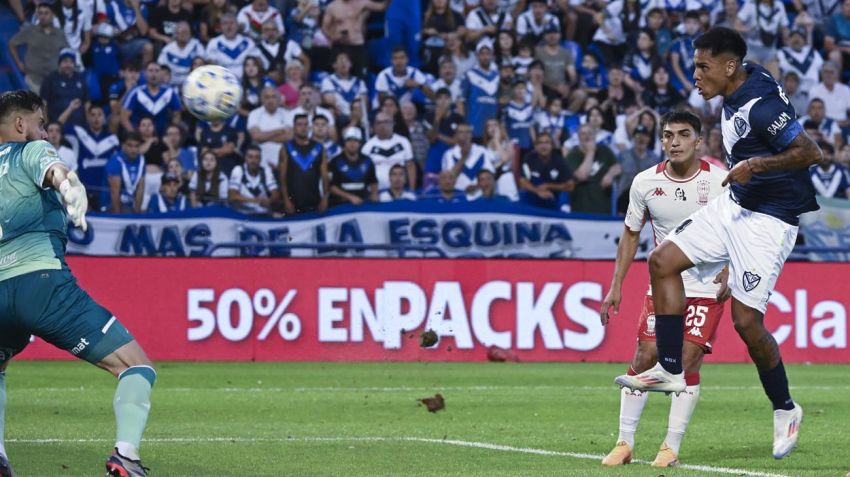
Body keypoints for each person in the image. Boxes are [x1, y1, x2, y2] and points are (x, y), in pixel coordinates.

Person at [616, 27, 822, 459]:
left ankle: (785, 407)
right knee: (662, 260)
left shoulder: (759, 106)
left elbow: (810, 152)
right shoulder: (742, 80)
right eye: (695, 65)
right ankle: (672, 369)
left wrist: (756, 165)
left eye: (702, 66)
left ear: (730, 67)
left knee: (747, 323)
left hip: (768, 221)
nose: (695, 75)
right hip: (734, 204)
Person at [0, 90, 156, 476]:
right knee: (136, 367)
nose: (46, 132)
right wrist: (70, 189)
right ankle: (126, 457)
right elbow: (55, 170)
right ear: (21, 124)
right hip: (40, 282)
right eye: (40, 123)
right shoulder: (30, 151)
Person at [600, 110, 729, 468]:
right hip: (664, 287)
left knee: (687, 359)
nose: (674, 141)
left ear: (699, 141)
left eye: (683, 134)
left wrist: (732, 269)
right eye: (668, 135)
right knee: (645, 355)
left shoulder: (721, 182)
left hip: (706, 286)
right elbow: (630, 234)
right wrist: (616, 285)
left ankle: (670, 447)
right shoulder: (644, 183)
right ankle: (624, 442)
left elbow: (741, 228)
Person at [8, 3, 70, 93]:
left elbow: (66, 52)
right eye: (40, 13)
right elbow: (12, 44)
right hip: (33, 81)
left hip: (53, 81)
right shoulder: (30, 31)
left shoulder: (59, 34)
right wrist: (19, 63)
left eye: (46, 13)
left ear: (52, 15)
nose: (43, 16)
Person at [564, 124, 621, 215]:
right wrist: (590, 152)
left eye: (590, 133)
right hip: (581, 209)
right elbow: (582, 176)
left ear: (595, 136)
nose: (587, 136)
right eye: (583, 134)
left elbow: (618, 167)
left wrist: (610, 174)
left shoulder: (605, 150)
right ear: (578, 137)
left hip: (604, 208)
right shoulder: (572, 155)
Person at [278, 114, 329, 214]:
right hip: (293, 201)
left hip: (315, 201)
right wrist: (286, 200)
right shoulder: (286, 147)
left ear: (309, 127)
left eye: (305, 125)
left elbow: (325, 176)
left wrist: (325, 198)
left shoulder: (319, 148)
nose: (303, 128)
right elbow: (282, 177)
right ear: (294, 127)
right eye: (299, 125)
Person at [120, 62, 182, 135]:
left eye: (157, 71)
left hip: (163, 135)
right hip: (139, 135)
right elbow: (124, 117)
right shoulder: (136, 92)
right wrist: (134, 136)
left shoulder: (170, 92)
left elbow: (177, 115)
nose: (154, 74)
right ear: (145, 74)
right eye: (150, 71)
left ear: (161, 74)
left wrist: (170, 134)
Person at [518, 132, 574, 209]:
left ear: (552, 145)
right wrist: (538, 191)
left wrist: (548, 186)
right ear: (536, 146)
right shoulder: (529, 158)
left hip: (553, 198)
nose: (544, 146)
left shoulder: (560, 161)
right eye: (540, 143)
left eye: (547, 142)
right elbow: (522, 182)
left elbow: (570, 185)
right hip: (533, 196)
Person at [362, 112, 416, 190]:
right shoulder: (367, 147)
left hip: (400, 190)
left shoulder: (403, 142)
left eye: (386, 122)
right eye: (379, 123)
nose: (382, 125)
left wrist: (412, 189)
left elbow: (410, 166)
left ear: (393, 123)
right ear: (374, 126)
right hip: (378, 191)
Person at [329, 127, 378, 206]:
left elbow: (373, 181)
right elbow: (331, 187)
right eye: (349, 140)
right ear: (344, 143)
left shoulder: (368, 161)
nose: (352, 143)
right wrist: (350, 197)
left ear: (360, 143)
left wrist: (374, 193)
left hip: (363, 203)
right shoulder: (335, 162)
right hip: (341, 205)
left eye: (355, 140)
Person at [441, 123, 496, 193]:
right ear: (456, 135)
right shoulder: (449, 154)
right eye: (461, 132)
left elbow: (490, 174)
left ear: (471, 135)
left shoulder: (482, 151)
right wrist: (463, 157)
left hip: (480, 194)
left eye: (467, 132)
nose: (464, 135)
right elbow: (448, 179)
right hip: (458, 195)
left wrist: (476, 187)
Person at [228, 145, 280, 216]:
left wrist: (269, 201)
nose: (253, 160)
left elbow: (276, 194)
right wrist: (255, 200)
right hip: (242, 214)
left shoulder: (265, 171)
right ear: (245, 158)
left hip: (263, 213)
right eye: (250, 157)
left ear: (260, 159)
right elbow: (232, 196)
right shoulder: (238, 170)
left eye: (257, 157)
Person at [105, 133, 146, 213]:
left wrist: (137, 212)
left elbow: (140, 188)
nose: (133, 150)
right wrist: (119, 217)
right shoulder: (115, 162)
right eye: (130, 146)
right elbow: (114, 192)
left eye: (136, 146)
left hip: (129, 206)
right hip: (110, 206)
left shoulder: (141, 161)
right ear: (123, 146)